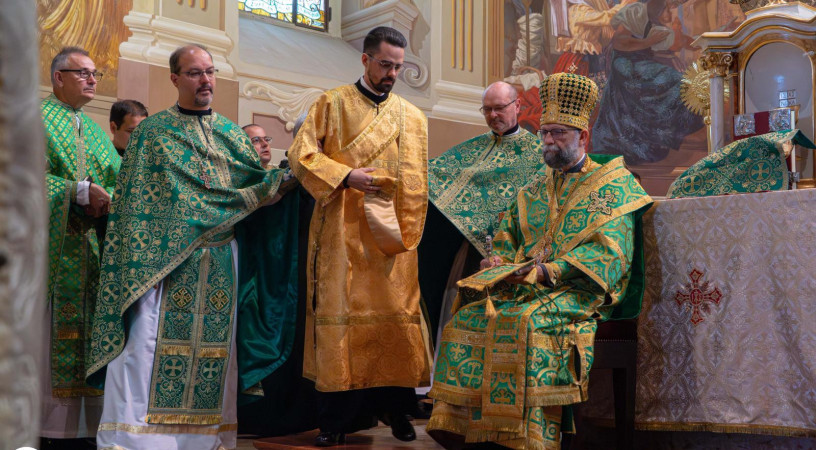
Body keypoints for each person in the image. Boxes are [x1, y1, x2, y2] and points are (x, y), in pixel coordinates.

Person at [87, 44, 300, 449]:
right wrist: (138, 267)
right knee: (146, 351)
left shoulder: (231, 135)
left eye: (210, 72)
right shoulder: (151, 134)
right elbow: (133, 211)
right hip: (161, 268)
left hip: (219, 261)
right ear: (175, 79)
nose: (205, 80)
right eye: (194, 73)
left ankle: (204, 443)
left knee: (215, 358)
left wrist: (296, 175)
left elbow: (260, 191)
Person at [426, 72, 653, 449]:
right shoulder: (533, 188)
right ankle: (472, 434)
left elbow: (611, 254)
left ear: (583, 137)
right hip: (524, 288)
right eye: (545, 132)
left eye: (558, 133)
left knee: (525, 322)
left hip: (577, 292)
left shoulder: (613, 186)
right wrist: (498, 261)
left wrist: (548, 270)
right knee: (467, 315)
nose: (547, 140)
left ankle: (529, 438)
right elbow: (508, 237)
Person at [288, 26, 430, 447]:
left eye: (398, 67)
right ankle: (335, 421)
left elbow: (417, 181)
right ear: (365, 60)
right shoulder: (332, 103)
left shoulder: (413, 117)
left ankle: (397, 409)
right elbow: (301, 154)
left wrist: (405, 231)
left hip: (392, 237)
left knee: (395, 319)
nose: (392, 74)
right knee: (343, 321)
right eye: (385, 65)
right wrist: (346, 176)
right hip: (343, 232)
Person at [420, 81, 542, 346]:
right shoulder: (472, 147)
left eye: (499, 108)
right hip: (461, 249)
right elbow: (435, 174)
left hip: (505, 254)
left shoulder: (537, 155)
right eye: (487, 110)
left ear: (517, 106)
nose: (493, 115)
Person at [41, 46, 121, 450]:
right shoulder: (32, 120)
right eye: (83, 73)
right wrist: (74, 191)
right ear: (59, 77)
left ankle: (83, 431)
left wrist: (110, 200)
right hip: (49, 257)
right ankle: (46, 429)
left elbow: (118, 182)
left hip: (90, 252)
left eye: (95, 74)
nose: (92, 80)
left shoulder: (93, 130)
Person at [591, 0, 704, 164]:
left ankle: (664, 133)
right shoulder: (635, 12)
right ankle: (660, 134)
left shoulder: (655, 22)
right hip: (626, 64)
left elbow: (678, 42)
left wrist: (702, 42)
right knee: (674, 80)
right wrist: (648, 42)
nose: (669, 13)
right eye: (666, 9)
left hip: (640, 62)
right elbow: (619, 41)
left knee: (678, 80)